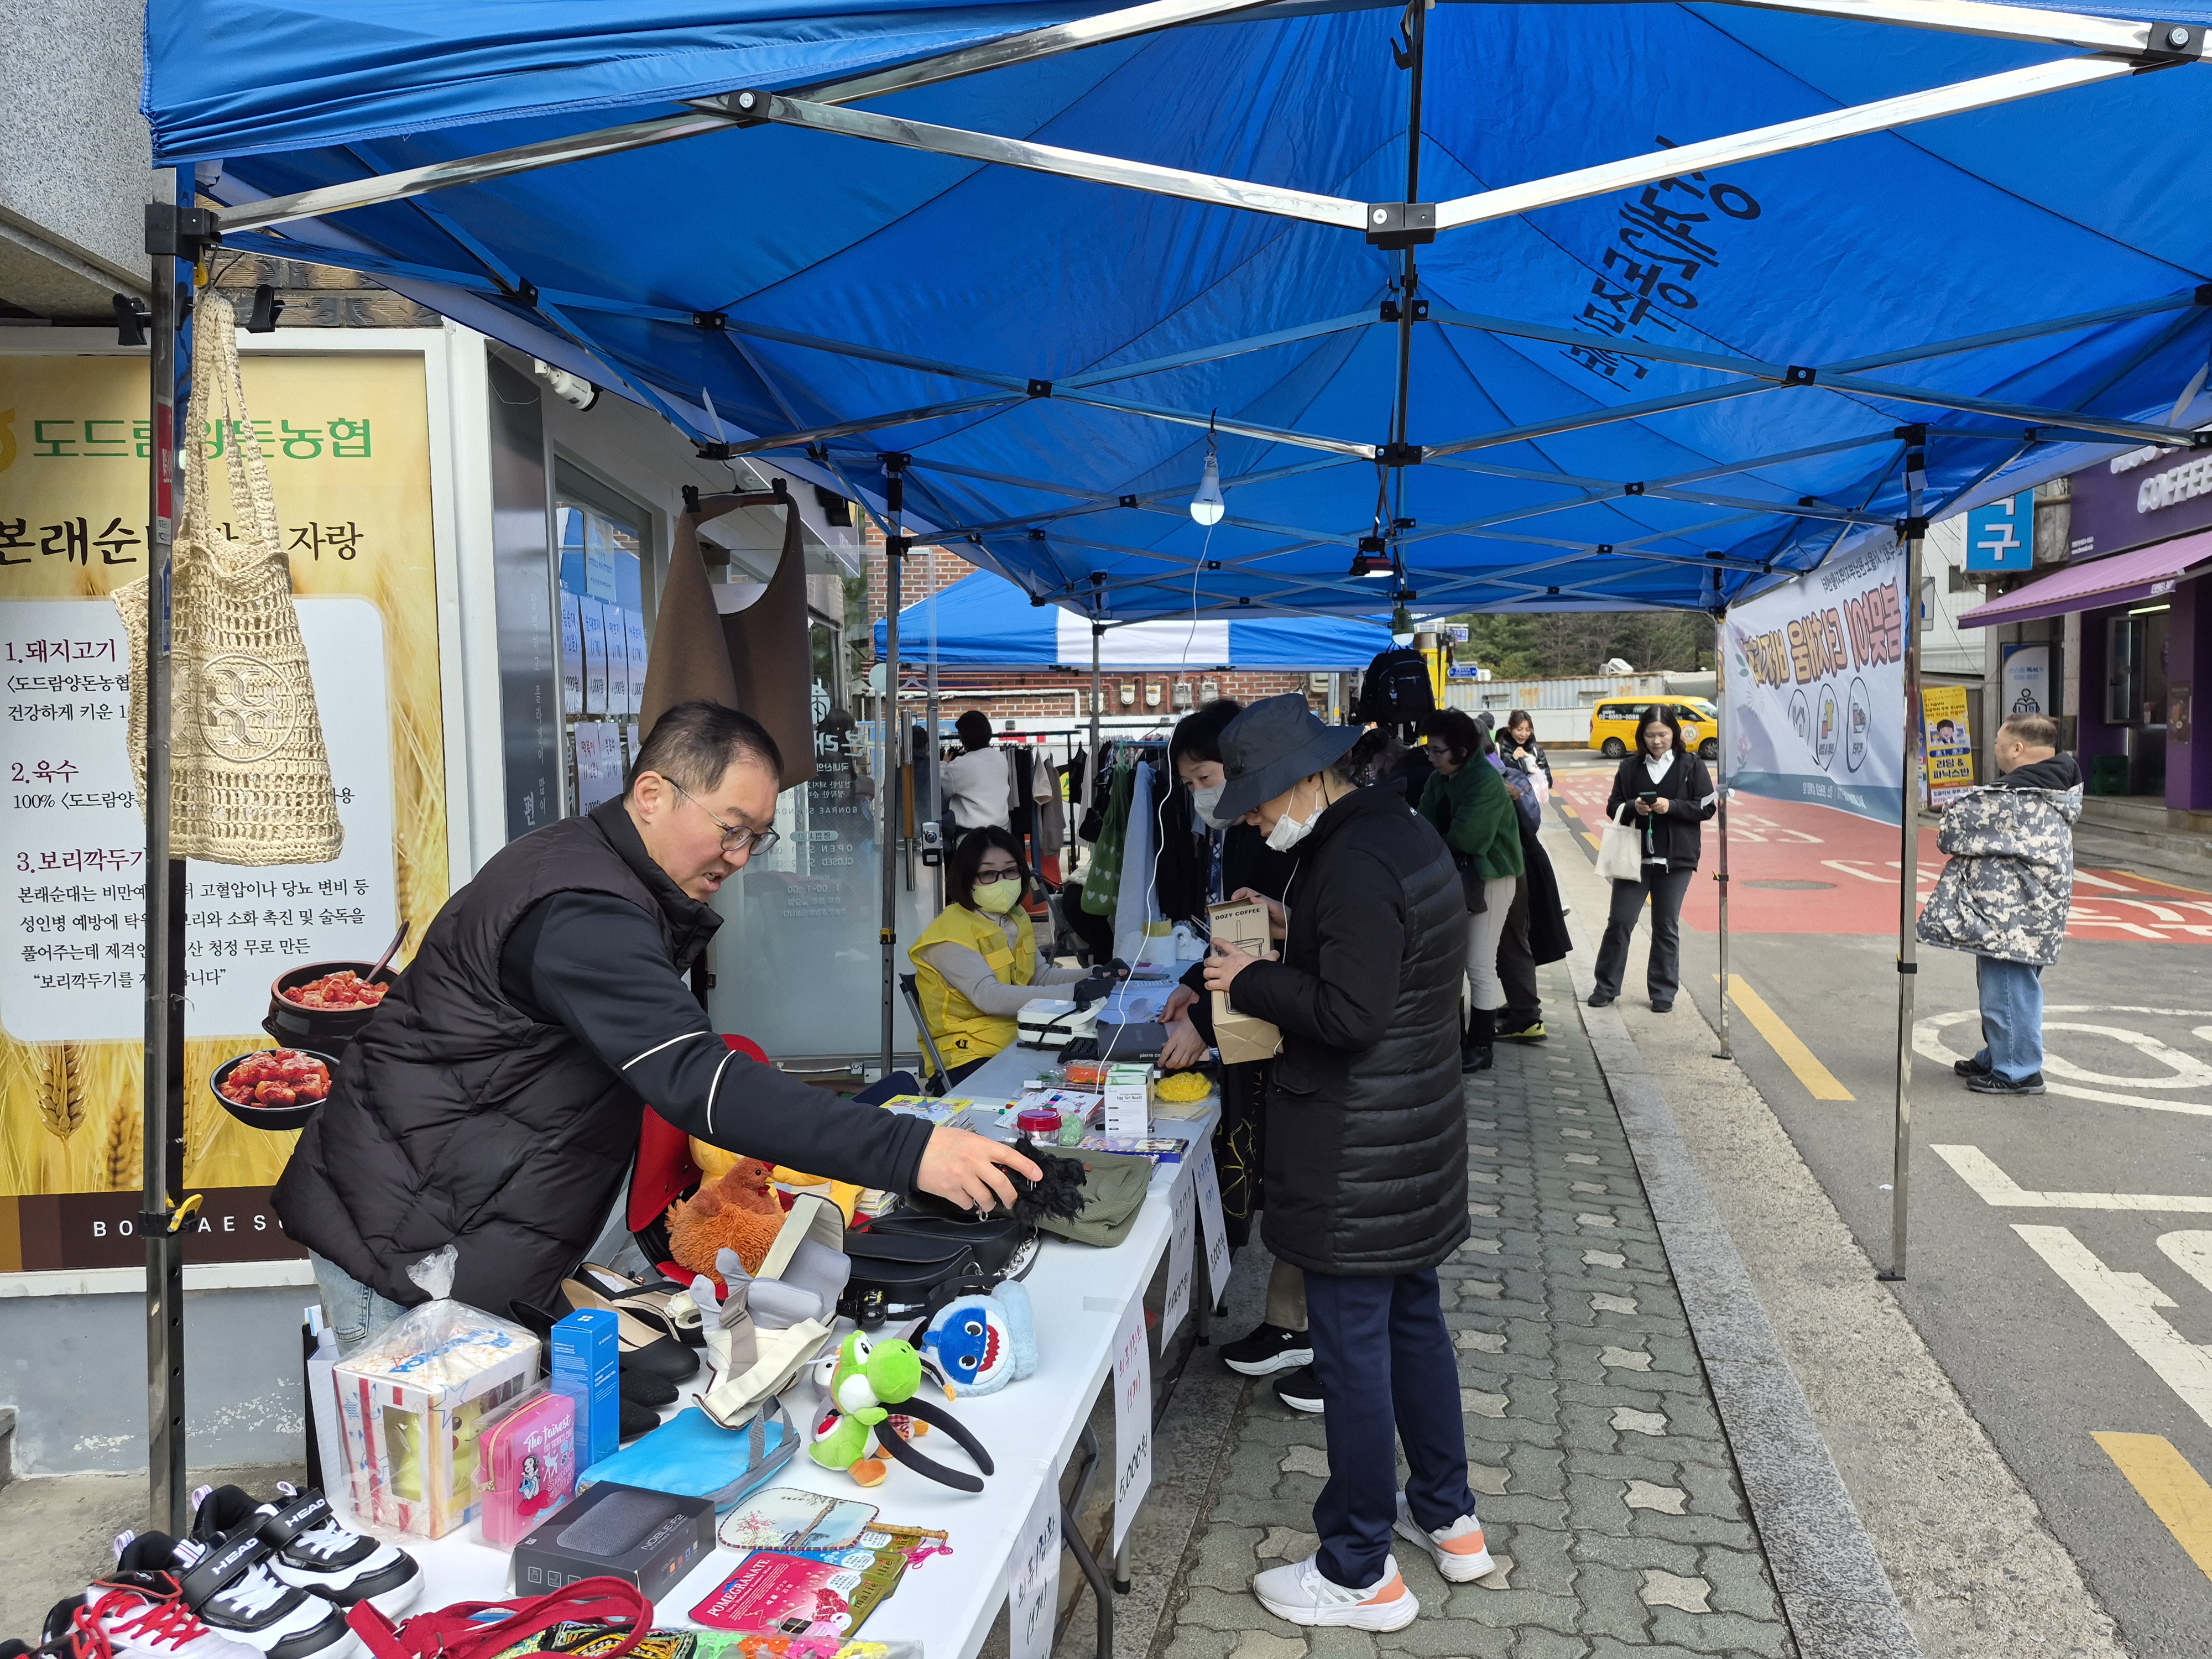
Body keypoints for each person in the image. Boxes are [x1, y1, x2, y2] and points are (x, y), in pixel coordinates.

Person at [276, 701, 1040, 1348]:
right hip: (405, 1247)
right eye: (731, 828)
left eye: (758, 837)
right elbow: (699, 1082)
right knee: (420, 1470)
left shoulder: (595, 872)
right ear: (651, 794)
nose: (741, 857)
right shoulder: (581, 909)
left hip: (459, 1223)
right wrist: (909, 1151)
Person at [1202, 694, 1491, 1631]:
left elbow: (1352, 1014)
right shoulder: (1390, 831)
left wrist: (1249, 977)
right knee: (1413, 1328)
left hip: (1355, 1154)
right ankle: (1449, 1517)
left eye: (1254, 800)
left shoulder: (1354, 859)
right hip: (1410, 1142)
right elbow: (1385, 961)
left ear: (1303, 779)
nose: (1251, 820)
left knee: (1354, 1357)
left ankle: (1359, 1569)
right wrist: (1291, 929)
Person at [1151, 699, 1307, 1400]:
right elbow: (1234, 937)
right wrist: (1194, 986)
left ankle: (1310, 1335)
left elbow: (1261, 954)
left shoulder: (1282, 838)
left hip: (1287, 1034)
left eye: (1205, 778)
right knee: (1282, 1186)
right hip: (1262, 1026)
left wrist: (1207, 1027)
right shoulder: (1244, 834)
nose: (1200, 795)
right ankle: (1288, 1323)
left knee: (1294, 1187)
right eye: (1188, 784)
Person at [1917, 713, 2081, 1095]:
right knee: (2010, 985)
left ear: (2017, 748)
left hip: (2012, 914)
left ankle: (2018, 1071)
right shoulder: (2056, 788)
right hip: (2028, 909)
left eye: (1997, 743)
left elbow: (1951, 830)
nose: (1995, 749)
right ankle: (2000, 1052)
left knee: (2007, 987)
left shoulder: (2014, 799)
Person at [909, 826, 1089, 1083]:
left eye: (1011, 871)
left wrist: (1093, 976)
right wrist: (1075, 993)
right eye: (988, 874)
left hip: (1019, 1038)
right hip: (966, 1056)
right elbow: (990, 997)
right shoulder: (949, 934)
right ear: (966, 878)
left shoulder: (1015, 918)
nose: (1002, 881)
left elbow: (1039, 977)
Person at [1589, 705, 1716, 1013]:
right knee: (1620, 922)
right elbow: (1613, 806)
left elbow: (1707, 807)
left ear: (1674, 733)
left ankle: (1663, 991)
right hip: (1634, 858)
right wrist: (1633, 806)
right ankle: (1605, 987)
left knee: (1665, 925)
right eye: (1650, 735)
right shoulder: (1630, 767)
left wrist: (1671, 807)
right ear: (1641, 736)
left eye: (1663, 734)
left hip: (1677, 860)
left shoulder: (1692, 765)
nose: (1656, 741)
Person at [1416, 709, 1522, 1073]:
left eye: (1438, 751)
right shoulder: (1439, 778)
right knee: (1454, 962)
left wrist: (1432, 843)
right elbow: (1423, 826)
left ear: (1462, 750)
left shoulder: (1485, 781)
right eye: (1429, 749)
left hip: (1491, 877)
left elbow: (1469, 839)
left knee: (1479, 963)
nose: (1431, 757)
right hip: (1455, 876)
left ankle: (1481, 1046)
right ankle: (1455, 1041)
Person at [938, 708, 1014, 833]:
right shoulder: (1001, 757)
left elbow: (942, 789)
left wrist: (944, 763)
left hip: (971, 832)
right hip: (1001, 829)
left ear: (964, 737)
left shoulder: (961, 765)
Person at [1496, 709, 1552, 785]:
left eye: (1528, 730)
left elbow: (1549, 782)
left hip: (1531, 793)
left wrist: (1537, 771)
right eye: (1519, 730)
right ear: (1510, 729)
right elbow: (1494, 778)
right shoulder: (1499, 750)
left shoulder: (1535, 750)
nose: (1523, 734)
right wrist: (1513, 760)